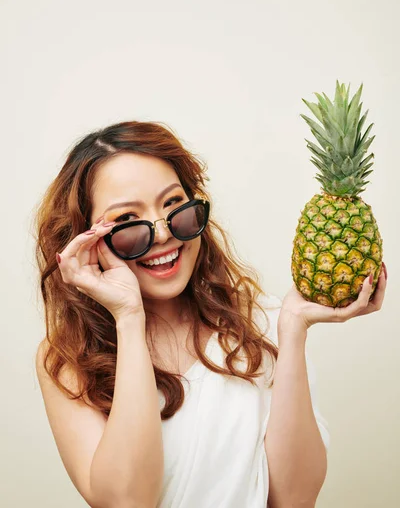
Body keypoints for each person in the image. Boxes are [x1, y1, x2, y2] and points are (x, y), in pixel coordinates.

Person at [34, 120, 387, 508]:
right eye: (126, 222)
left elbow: (294, 499)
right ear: (84, 239)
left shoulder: (265, 322)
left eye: (174, 206)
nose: (166, 234)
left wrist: (293, 330)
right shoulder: (67, 357)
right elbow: (128, 502)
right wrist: (129, 318)